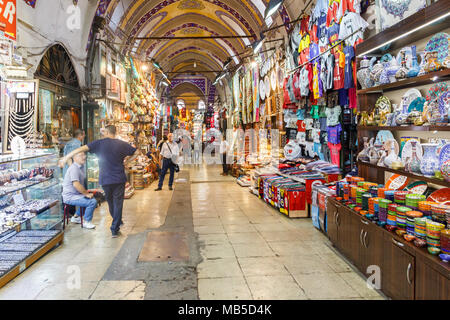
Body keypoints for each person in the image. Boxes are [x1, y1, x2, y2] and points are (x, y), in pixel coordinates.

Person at [59, 125, 138, 238]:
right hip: (119, 178)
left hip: (105, 179)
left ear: (106, 132)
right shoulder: (121, 144)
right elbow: (137, 152)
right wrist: (127, 162)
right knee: (118, 203)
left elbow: (80, 149)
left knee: (111, 203)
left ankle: (116, 222)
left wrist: (67, 157)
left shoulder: (99, 143)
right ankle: (115, 228)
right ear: (115, 132)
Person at [62, 152, 96, 229]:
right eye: (81, 155)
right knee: (92, 202)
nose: (84, 157)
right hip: (70, 196)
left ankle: (76, 217)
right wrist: (86, 194)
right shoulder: (74, 168)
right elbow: (76, 184)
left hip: (77, 195)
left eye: (84, 155)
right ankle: (87, 221)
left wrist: (86, 193)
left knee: (90, 198)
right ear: (74, 158)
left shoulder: (81, 167)